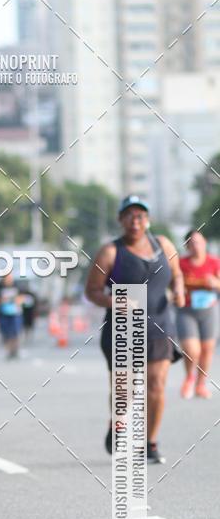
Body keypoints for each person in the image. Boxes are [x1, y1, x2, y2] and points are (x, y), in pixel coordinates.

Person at [85, 195, 185, 464]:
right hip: (122, 331)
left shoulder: (163, 244)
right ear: (120, 220)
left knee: (156, 385)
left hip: (159, 326)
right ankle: (116, 425)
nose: (135, 220)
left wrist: (178, 290)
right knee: (124, 391)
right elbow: (92, 291)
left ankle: (149, 443)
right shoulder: (110, 252)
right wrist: (115, 300)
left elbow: (177, 274)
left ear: (147, 219)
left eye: (140, 215)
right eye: (129, 215)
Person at [177, 229, 220, 400]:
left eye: (200, 242)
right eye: (193, 243)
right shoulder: (181, 264)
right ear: (187, 246)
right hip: (187, 311)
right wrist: (178, 292)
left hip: (208, 310)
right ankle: (189, 377)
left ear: (205, 244)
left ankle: (200, 384)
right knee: (191, 349)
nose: (197, 246)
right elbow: (173, 284)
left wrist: (215, 283)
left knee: (207, 349)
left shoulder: (214, 262)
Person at [0, 270, 24, 359]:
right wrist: (2, 300)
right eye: (6, 277)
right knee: (5, 333)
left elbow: (22, 298)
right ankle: (9, 350)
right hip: (3, 314)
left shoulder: (17, 286)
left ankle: (14, 350)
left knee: (15, 332)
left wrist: (16, 300)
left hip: (15, 314)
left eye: (10, 277)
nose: (8, 279)